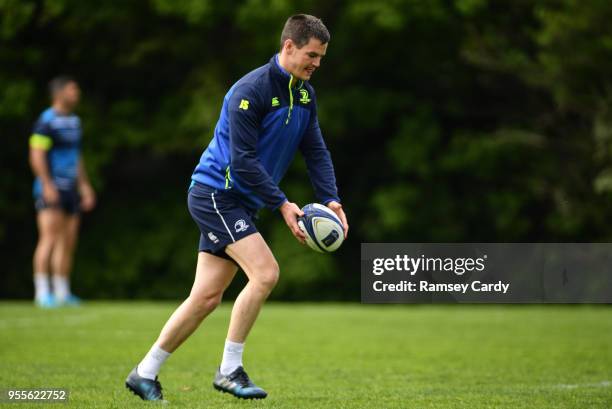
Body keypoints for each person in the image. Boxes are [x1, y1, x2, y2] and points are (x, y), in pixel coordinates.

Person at [125, 14, 348, 401]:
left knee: (206, 297)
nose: (316, 63)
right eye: (311, 55)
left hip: (241, 201)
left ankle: (145, 373)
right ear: (289, 46)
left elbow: (316, 151)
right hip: (216, 194)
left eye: (321, 58)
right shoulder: (252, 90)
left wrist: (332, 199)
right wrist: (281, 204)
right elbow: (243, 160)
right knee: (265, 273)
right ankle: (230, 369)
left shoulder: (305, 94)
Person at [29, 76, 96, 308]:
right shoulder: (46, 122)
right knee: (48, 238)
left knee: (68, 241)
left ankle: (62, 292)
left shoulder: (74, 122)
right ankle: (42, 292)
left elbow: (76, 157)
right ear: (59, 94)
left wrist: (84, 186)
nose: (76, 94)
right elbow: (36, 155)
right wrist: (47, 185)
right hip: (51, 187)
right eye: (72, 90)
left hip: (70, 190)